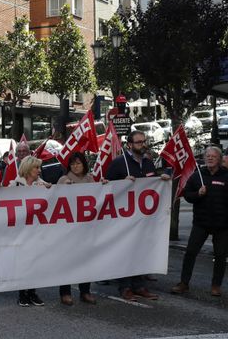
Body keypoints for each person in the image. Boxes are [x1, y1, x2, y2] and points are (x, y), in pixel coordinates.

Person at [106, 130, 170, 301]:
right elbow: (105, 187)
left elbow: (152, 183)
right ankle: (125, 287)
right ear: (130, 145)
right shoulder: (119, 163)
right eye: (139, 142)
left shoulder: (148, 163)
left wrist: (161, 179)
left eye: (144, 141)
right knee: (126, 251)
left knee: (141, 251)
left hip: (143, 218)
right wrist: (121, 183)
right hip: (124, 218)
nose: (142, 145)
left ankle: (139, 285)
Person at [172, 146, 228, 297]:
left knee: (221, 255)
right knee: (190, 252)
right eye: (207, 156)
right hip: (201, 223)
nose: (209, 158)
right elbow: (187, 195)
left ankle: (216, 285)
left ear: (220, 159)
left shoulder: (226, 175)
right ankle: (184, 283)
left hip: (222, 225)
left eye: (213, 156)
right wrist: (198, 194)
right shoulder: (197, 176)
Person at [55, 152, 98, 305]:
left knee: (85, 260)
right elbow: (54, 198)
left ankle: (85, 291)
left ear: (84, 164)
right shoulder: (64, 179)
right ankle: (65, 293)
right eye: (73, 164)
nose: (75, 166)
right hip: (68, 229)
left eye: (78, 163)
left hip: (85, 229)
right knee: (67, 261)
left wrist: (104, 185)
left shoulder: (90, 179)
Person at [10, 156, 49, 307]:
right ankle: (22, 294)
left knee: (34, 261)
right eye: (36, 168)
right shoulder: (15, 185)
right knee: (22, 262)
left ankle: (32, 292)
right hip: (21, 231)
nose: (39, 171)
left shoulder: (43, 185)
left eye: (39, 168)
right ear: (27, 169)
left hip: (36, 231)